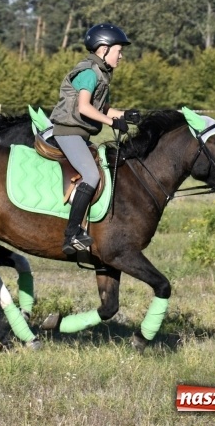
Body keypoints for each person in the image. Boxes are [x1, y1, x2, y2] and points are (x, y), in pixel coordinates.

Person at [50, 23, 141, 256]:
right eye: (118, 51)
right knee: (90, 175)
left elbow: (104, 108)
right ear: (103, 49)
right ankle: (72, 235)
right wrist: (112, 122)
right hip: (68, 132)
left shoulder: (102, 75)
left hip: (81, 135)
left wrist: (125, 115)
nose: (121, 56)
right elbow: (83, 107)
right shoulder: (89, 73)